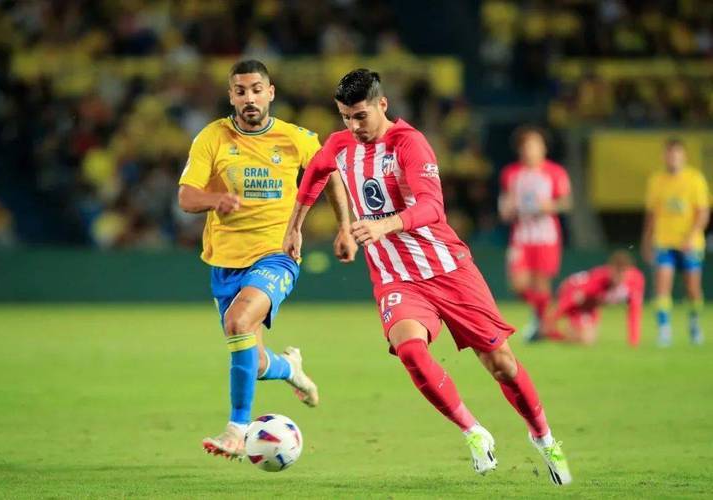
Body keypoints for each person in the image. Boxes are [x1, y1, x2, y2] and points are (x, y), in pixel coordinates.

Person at [283, 69, 572, 485]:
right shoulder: (340, 145)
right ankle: (474, 431)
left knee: (502, 364)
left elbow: (433, 207)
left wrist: (383, 225)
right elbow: (315, 173)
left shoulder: (410, 143)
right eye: (345, 117)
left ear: (383, 105)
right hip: (395, 277)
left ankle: (543, 437)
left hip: (448, 269)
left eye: (360, 116)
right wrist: (299, 226)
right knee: (411, 352)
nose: (353, 126)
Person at [178, 60, 356, 461]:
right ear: (231, 96)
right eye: (241, 91)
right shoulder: (212, 137)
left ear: (270, 93)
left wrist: (345, 228)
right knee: (255, 362)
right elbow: (186, 197)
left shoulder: (295, 138)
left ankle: (237, 430)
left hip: (276, 255)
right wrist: (215, 199)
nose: (250, 98)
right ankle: (290, 368)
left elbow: (330, 174)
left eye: (257, 90)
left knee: (238, 322)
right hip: (226, 262)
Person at [498, 127, 571, 340]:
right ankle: (546, 318)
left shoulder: (555, 172)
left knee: (541, 284)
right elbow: (505, 202)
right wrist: (506, 209)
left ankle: (540, 325)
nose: (530, 150)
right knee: (517, 283)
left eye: (534, 145)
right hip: (521, 236)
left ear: (543, 148)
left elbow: (566, 202)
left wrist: (550, 206)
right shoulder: (511, 173)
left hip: (546, 236)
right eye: (526, 146)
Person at [642, 138, 710, 346]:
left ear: (684, 156)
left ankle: (695, 325)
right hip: (664, 242)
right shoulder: (656, 180)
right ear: (664, 156)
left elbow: (703, 212)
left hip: (691, 244)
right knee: (662, 286)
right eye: (669, 154)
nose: (672, 158)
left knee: (693, 289)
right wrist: (646, 240)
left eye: (676, 154)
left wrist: (691, 236)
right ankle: (664, 330)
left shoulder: (695, 179)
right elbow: (651, 214)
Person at [541, 250, 645, 346]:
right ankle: (551, 332)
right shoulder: (598, 279)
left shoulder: (636, 281)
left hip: (590, 305)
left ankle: (564, 332)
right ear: (611, 269)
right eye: (617, 271)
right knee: (585, 339)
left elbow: (634, 309)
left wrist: (634, 340)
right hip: (572, 293)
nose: (620, 276)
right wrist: (552, 319)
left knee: (589, 338)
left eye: (623, 271)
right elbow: (572, 298)